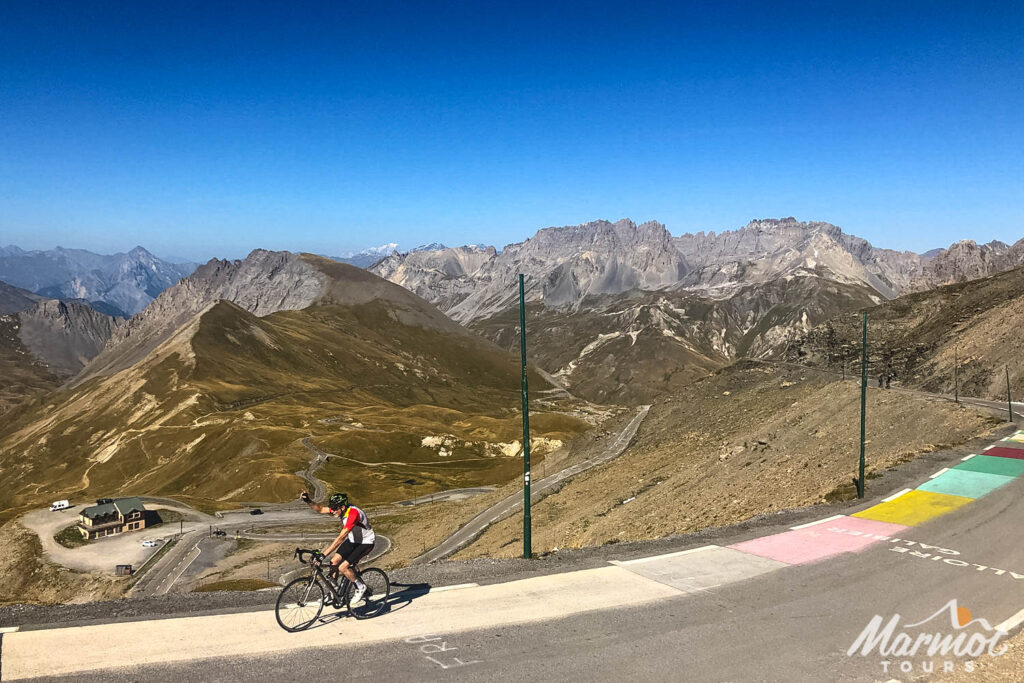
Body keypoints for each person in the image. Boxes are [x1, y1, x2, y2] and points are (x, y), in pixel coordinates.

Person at [299, 490, 376, 603]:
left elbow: (340, 538)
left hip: (366, 542)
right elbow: (320, 509)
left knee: (343, 567)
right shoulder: (339, 508)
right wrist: (308, 500)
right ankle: (333, 592)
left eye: (335, 509)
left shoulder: (353, 514)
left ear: (343, 507)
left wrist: (323, 555)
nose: (333, 511)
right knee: (334, 562)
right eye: (332, 508)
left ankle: (360, 587)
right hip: (353, 540)